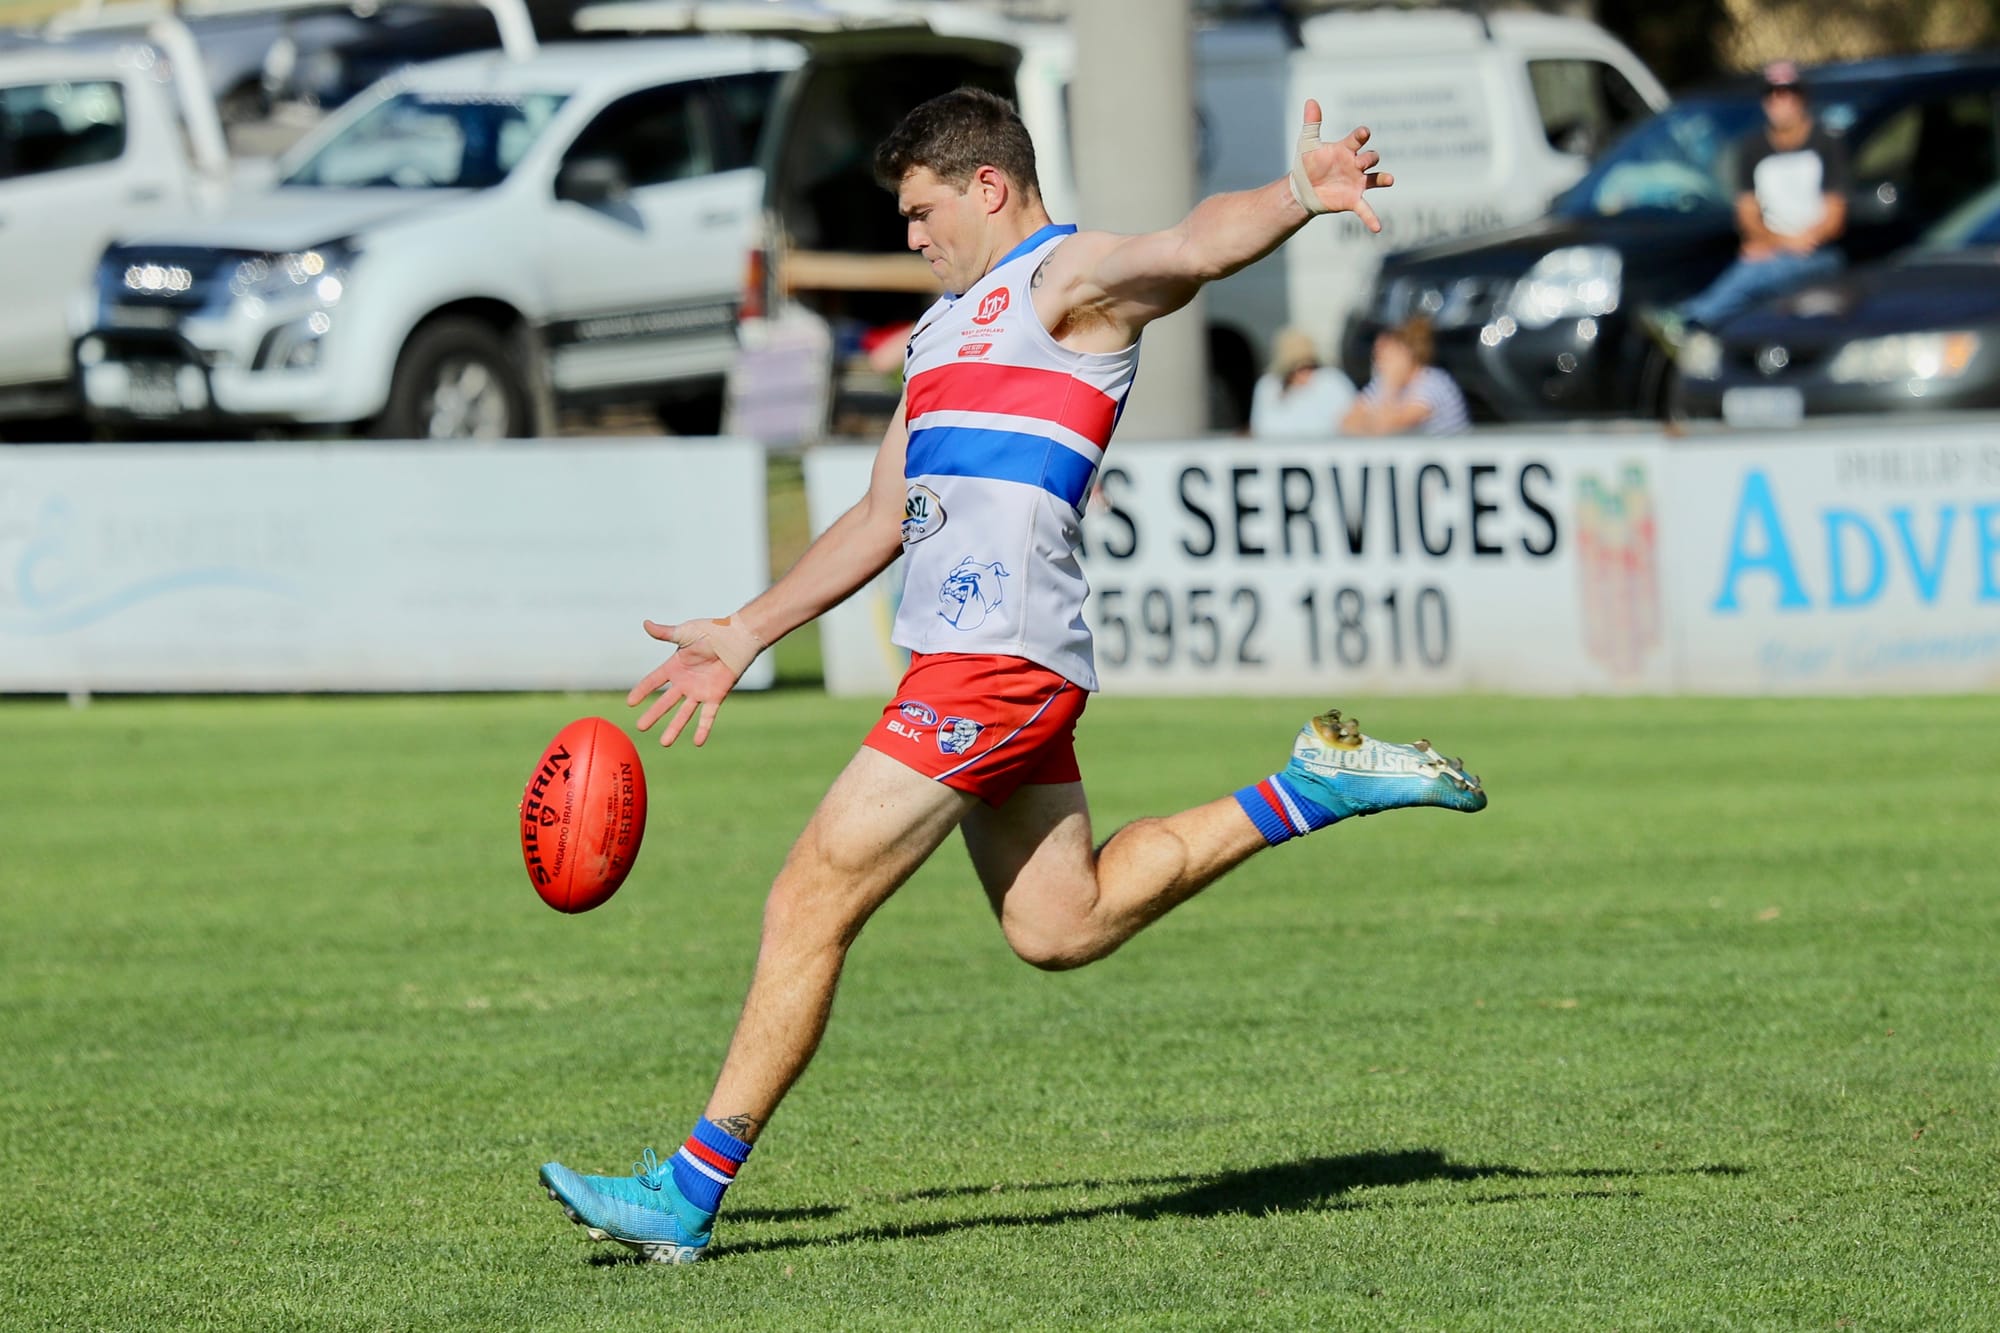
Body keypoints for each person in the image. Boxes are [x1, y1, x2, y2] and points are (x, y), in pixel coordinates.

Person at [538, 87, 1488, 1263]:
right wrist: (747, 628)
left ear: (987, 185)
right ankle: (1311, 787)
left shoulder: (1062, 283)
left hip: (995, 665)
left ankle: (683, 1194)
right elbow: (881, 512)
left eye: (920, 209)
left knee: (807, 897)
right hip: (965, 664)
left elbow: (1189, 245)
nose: (910, 235)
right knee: (1059, 923)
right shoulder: (938, 336)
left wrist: (1298, 194)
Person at [1655, 59, 1847, 343]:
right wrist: (1777, 242)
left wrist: (1791, 243)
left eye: (1787, 93)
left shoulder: (1826, 145)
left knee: (1759, 272)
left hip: (1815, 253)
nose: (1780, 101)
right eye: (1772, 94)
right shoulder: (1752, 149)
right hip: (1769, 251)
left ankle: (1693, 318)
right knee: (1755, 269)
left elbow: (1834, 217)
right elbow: (1747, 214)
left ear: (1801, 98)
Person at [1340, 317, 1471, 436]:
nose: (1379, 363)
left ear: (1406, 353)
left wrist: (1390, 385)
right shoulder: (1381, 383)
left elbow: (1387, 427)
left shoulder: (1433, 383)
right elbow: (1347, 423)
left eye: (1384, 355)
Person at [1248, 327, 1356, 438]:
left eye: (1308, 366)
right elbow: (1258, 429)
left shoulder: (1331, 381)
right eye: (1294, 368)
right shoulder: (1268, 386)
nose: (1302, 374)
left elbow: (1352, 424)